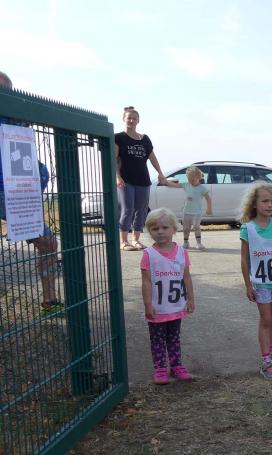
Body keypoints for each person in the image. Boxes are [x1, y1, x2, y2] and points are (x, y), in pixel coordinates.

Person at [0, 71, 62, 315]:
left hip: (17, 194)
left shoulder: (18, 119)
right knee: (48, 243)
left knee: (48, 243)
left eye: (6, 90)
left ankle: (49, 301)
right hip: (8, 192)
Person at [240, 182, 272, 380]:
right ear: (254, 204)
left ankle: (270, 351)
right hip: (261, 283)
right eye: (264, 201)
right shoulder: (248, 229)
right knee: (266, 319)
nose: (269, 205)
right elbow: (244, 259)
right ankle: (266, 360)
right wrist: (248, 284)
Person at [140, 208, 195, 385]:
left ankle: (177, 366)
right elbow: (146, 281)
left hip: (176, 306)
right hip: (158, 308)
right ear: (149, 231)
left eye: (165, 227)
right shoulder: (149, 254)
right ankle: (160, 368)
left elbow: (186, 277)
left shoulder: (182, 252)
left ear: (174, 229)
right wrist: (148, 305)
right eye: (155, 228)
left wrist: (191, 299)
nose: (160, 232)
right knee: (157, 339)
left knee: (174, 337)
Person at [115, 106, 166, 251]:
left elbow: (152, 158)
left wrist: (160, 173)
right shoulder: (118, 137)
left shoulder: (145, 139)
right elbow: (114, 159)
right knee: (127, 209)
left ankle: (136, 240)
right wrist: (117, 177)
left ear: (138, 120)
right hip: (126, 180)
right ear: (124, 119)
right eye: (129, 118)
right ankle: (124, 241)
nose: (131, 120)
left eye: (134, 118)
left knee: (141, 210)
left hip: (143, 180)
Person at [158, 166, 212, 250]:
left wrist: (209, 208)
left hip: (197, 212)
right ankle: (186, 242)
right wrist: (165, 182)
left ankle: (199, 243)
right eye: (189, 180)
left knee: (196, 227)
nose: (191, 182)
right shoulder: (187, 185)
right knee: (186, 228)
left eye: (193, 180)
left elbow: (208, 198)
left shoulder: (202, 188)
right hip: (186, 212)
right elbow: (175, 185)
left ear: (198, 177)